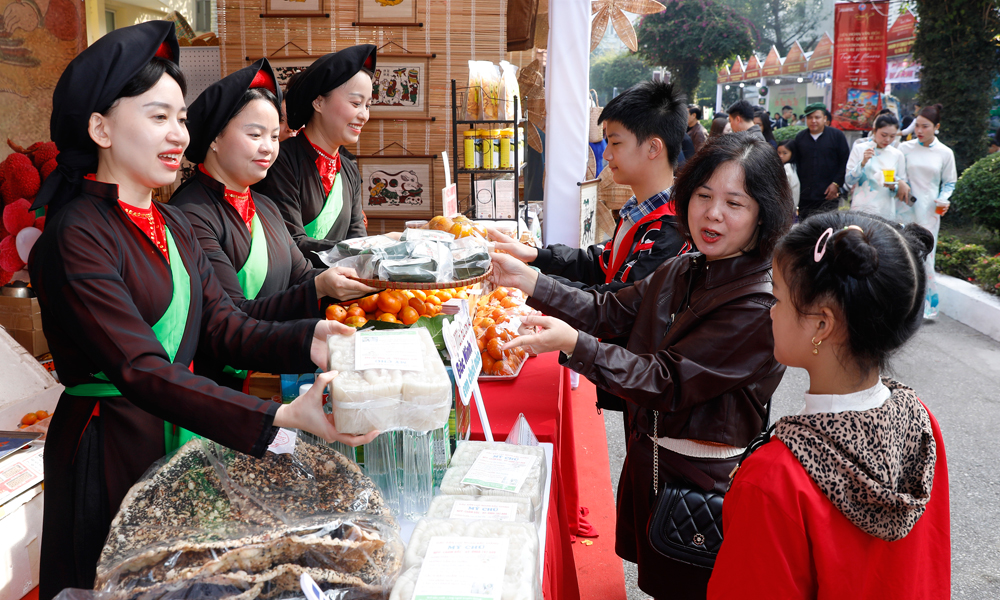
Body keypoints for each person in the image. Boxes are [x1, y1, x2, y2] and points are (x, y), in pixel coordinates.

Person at [27, 22, 378, 598]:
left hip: (183, 436)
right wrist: (278, 419)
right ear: (101, 128)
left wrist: (315, 338)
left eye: (181, 118)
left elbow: (223, 327)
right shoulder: (75, 235)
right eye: (156, 116)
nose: (177, 135)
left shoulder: (172, 224)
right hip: (109, 447)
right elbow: (137, 366)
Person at [489, 132, 792, 600]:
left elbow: (666, 380)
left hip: (702, 483)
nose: (712, 213)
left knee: (697, 585)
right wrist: (531, 279)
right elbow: (611, 309)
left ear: (763, 215)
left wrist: (574, 344)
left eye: (735, 203)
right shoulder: (687, 265)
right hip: (654, 463)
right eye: (704, 196)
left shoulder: (756, 304)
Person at [708, 212, 949, 599]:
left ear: (822, 324)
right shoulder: (920, 421)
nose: (770, 310)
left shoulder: (775, 478)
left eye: (779, 298)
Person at [487, 79, 690, 418]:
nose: (606, 154)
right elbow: (603, 263)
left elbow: (616, 307)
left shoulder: (668, 228)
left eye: (615, 143)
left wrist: (533, 281)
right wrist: (536, 256)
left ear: (653, 148)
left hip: (645, 387)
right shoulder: (642, 211)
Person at [169, 58, 376, 389]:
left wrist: (342, 280)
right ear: (214, 139)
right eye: (254, 134)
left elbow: (300, 275)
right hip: (219, 387)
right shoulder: (190, 213)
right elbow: (232, 315)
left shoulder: (263, 206)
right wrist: (319, 287)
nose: (268, 147)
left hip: (274, 371)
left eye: (273, 135)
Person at [253, 45, 377, 267]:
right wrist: (368, 248)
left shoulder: (348, 168)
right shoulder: (280, 160)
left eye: (368, 105)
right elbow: (291, 242)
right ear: (318, 102)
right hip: (298, 293)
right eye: (356, 103)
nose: (364, 115)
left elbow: (358, 238)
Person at [899, 103, 956, 319]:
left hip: (930, 211)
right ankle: (902, 303)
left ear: (937, 127)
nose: (919, 131)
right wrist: (900, 183)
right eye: (917, 126)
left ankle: (927, 306)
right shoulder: (904, 149)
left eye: (925, 126)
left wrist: (944, 199)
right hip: (903, 209)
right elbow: (897, 174)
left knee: (926, 257)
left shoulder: (945, 153)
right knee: (902, 254)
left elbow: (950, 182)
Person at [845, 113, 910, 220]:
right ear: (874, 131)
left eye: (892, 136)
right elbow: (849, 180)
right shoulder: (860, 149)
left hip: (885, 209)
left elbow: (901, 187)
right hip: (861, 207)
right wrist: (862, 163)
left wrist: (894, 186)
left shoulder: (897, 154)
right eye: (884, 135)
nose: (888, 140)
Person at [792, 103, 849, 219]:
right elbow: (796, 164)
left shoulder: (837, 136)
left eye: (817, 117)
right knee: (806, 229)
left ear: (825, 118)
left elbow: (844, 161)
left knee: (828, 227)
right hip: (805, 195)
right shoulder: (800, 138)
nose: (813, 121)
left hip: (829, 194)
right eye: (809, 118)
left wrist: (836, 184)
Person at [777, 140, 800, 212]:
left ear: (792, 153)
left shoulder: (787, 168)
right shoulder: (793, 166)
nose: (781, 156)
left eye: (785, 153)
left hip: (785, 207)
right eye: (779, 152)